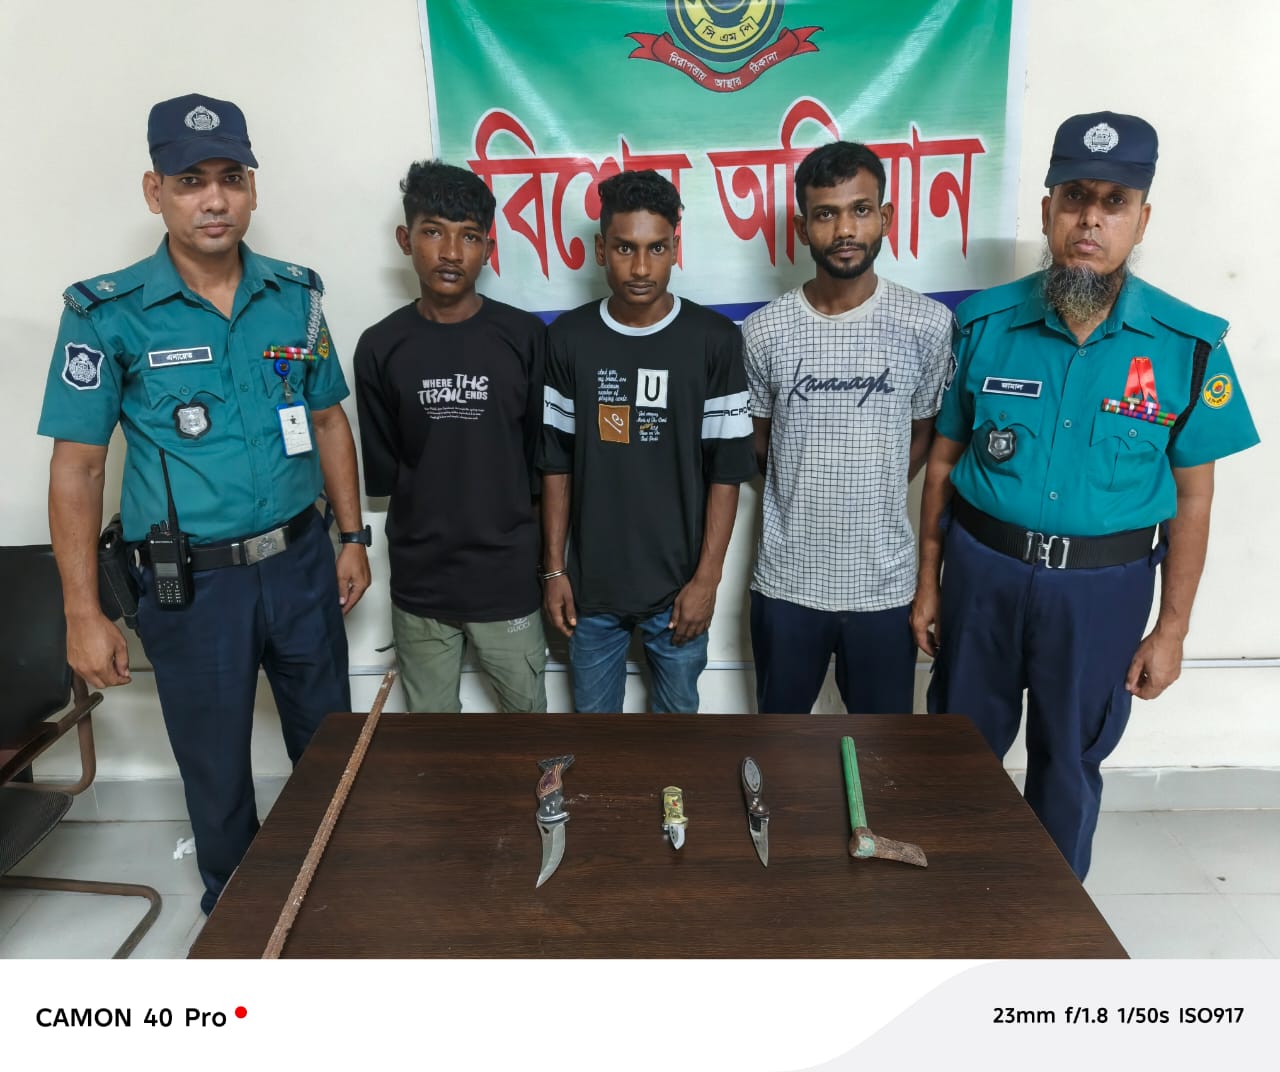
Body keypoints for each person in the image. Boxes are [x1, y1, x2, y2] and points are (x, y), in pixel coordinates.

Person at [37, 93, 371, 915]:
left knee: (331, 747)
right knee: (215, 768)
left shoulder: (297, 298)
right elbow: (78, 469)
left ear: (253, 188)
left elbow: (330, 420)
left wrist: (353, 536)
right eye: (191, 181)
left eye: (230, 178)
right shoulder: (106, 313)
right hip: (194, 587)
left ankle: (339, 897)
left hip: (300, 564)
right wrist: (82, 612)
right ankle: (240, 915)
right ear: (155, 191)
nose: (214, 199)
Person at [911, 111, 1260, 878]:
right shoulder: (984, 325)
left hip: (1100, 593)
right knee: (957, 753)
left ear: (1142, 219)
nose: (1090, 220)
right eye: (1074, 198)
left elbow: (1194, 502)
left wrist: (1172, 629)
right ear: (1048, 211)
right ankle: (950, 904)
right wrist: (928, 583)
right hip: (984, 576)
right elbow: (942, 462)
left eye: (1113, 202)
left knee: (1068, 764)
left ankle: (1047, 924)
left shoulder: (1189, 346)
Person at [744, 141, 951, 715]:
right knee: (780, 744)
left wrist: (871, 484)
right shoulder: (764, 332)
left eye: (860, 210)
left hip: (884, 586)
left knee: (883, 749)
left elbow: (924, 435)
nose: (844, 230)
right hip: (786, 583)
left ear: (885, 217)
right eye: (826, 214)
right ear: (802, 226)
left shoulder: (928, 325)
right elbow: (761, 443)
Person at [539, 169, 755, 712]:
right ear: (600, 250)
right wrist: (555, 570)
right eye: (624, 248)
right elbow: (555, 464)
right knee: (596, 738)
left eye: (656, 248)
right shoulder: (567, 338)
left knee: (677, 737)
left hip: (679, 593)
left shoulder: (715, 340)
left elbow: (727, 471)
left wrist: (707, 581)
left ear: (675, 248)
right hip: (590, 594)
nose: (640, 268)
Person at [354, 160, 547, 712]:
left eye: (469, 237)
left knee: (530, 732)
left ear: (489, 248)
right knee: (431, 738)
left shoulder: (526, 338)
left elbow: (542, 462)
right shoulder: (380, 346)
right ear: (405, 239)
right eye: (433, 232)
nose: (451, 252)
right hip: (422, 583)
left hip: (507, 576)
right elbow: (388, 470)